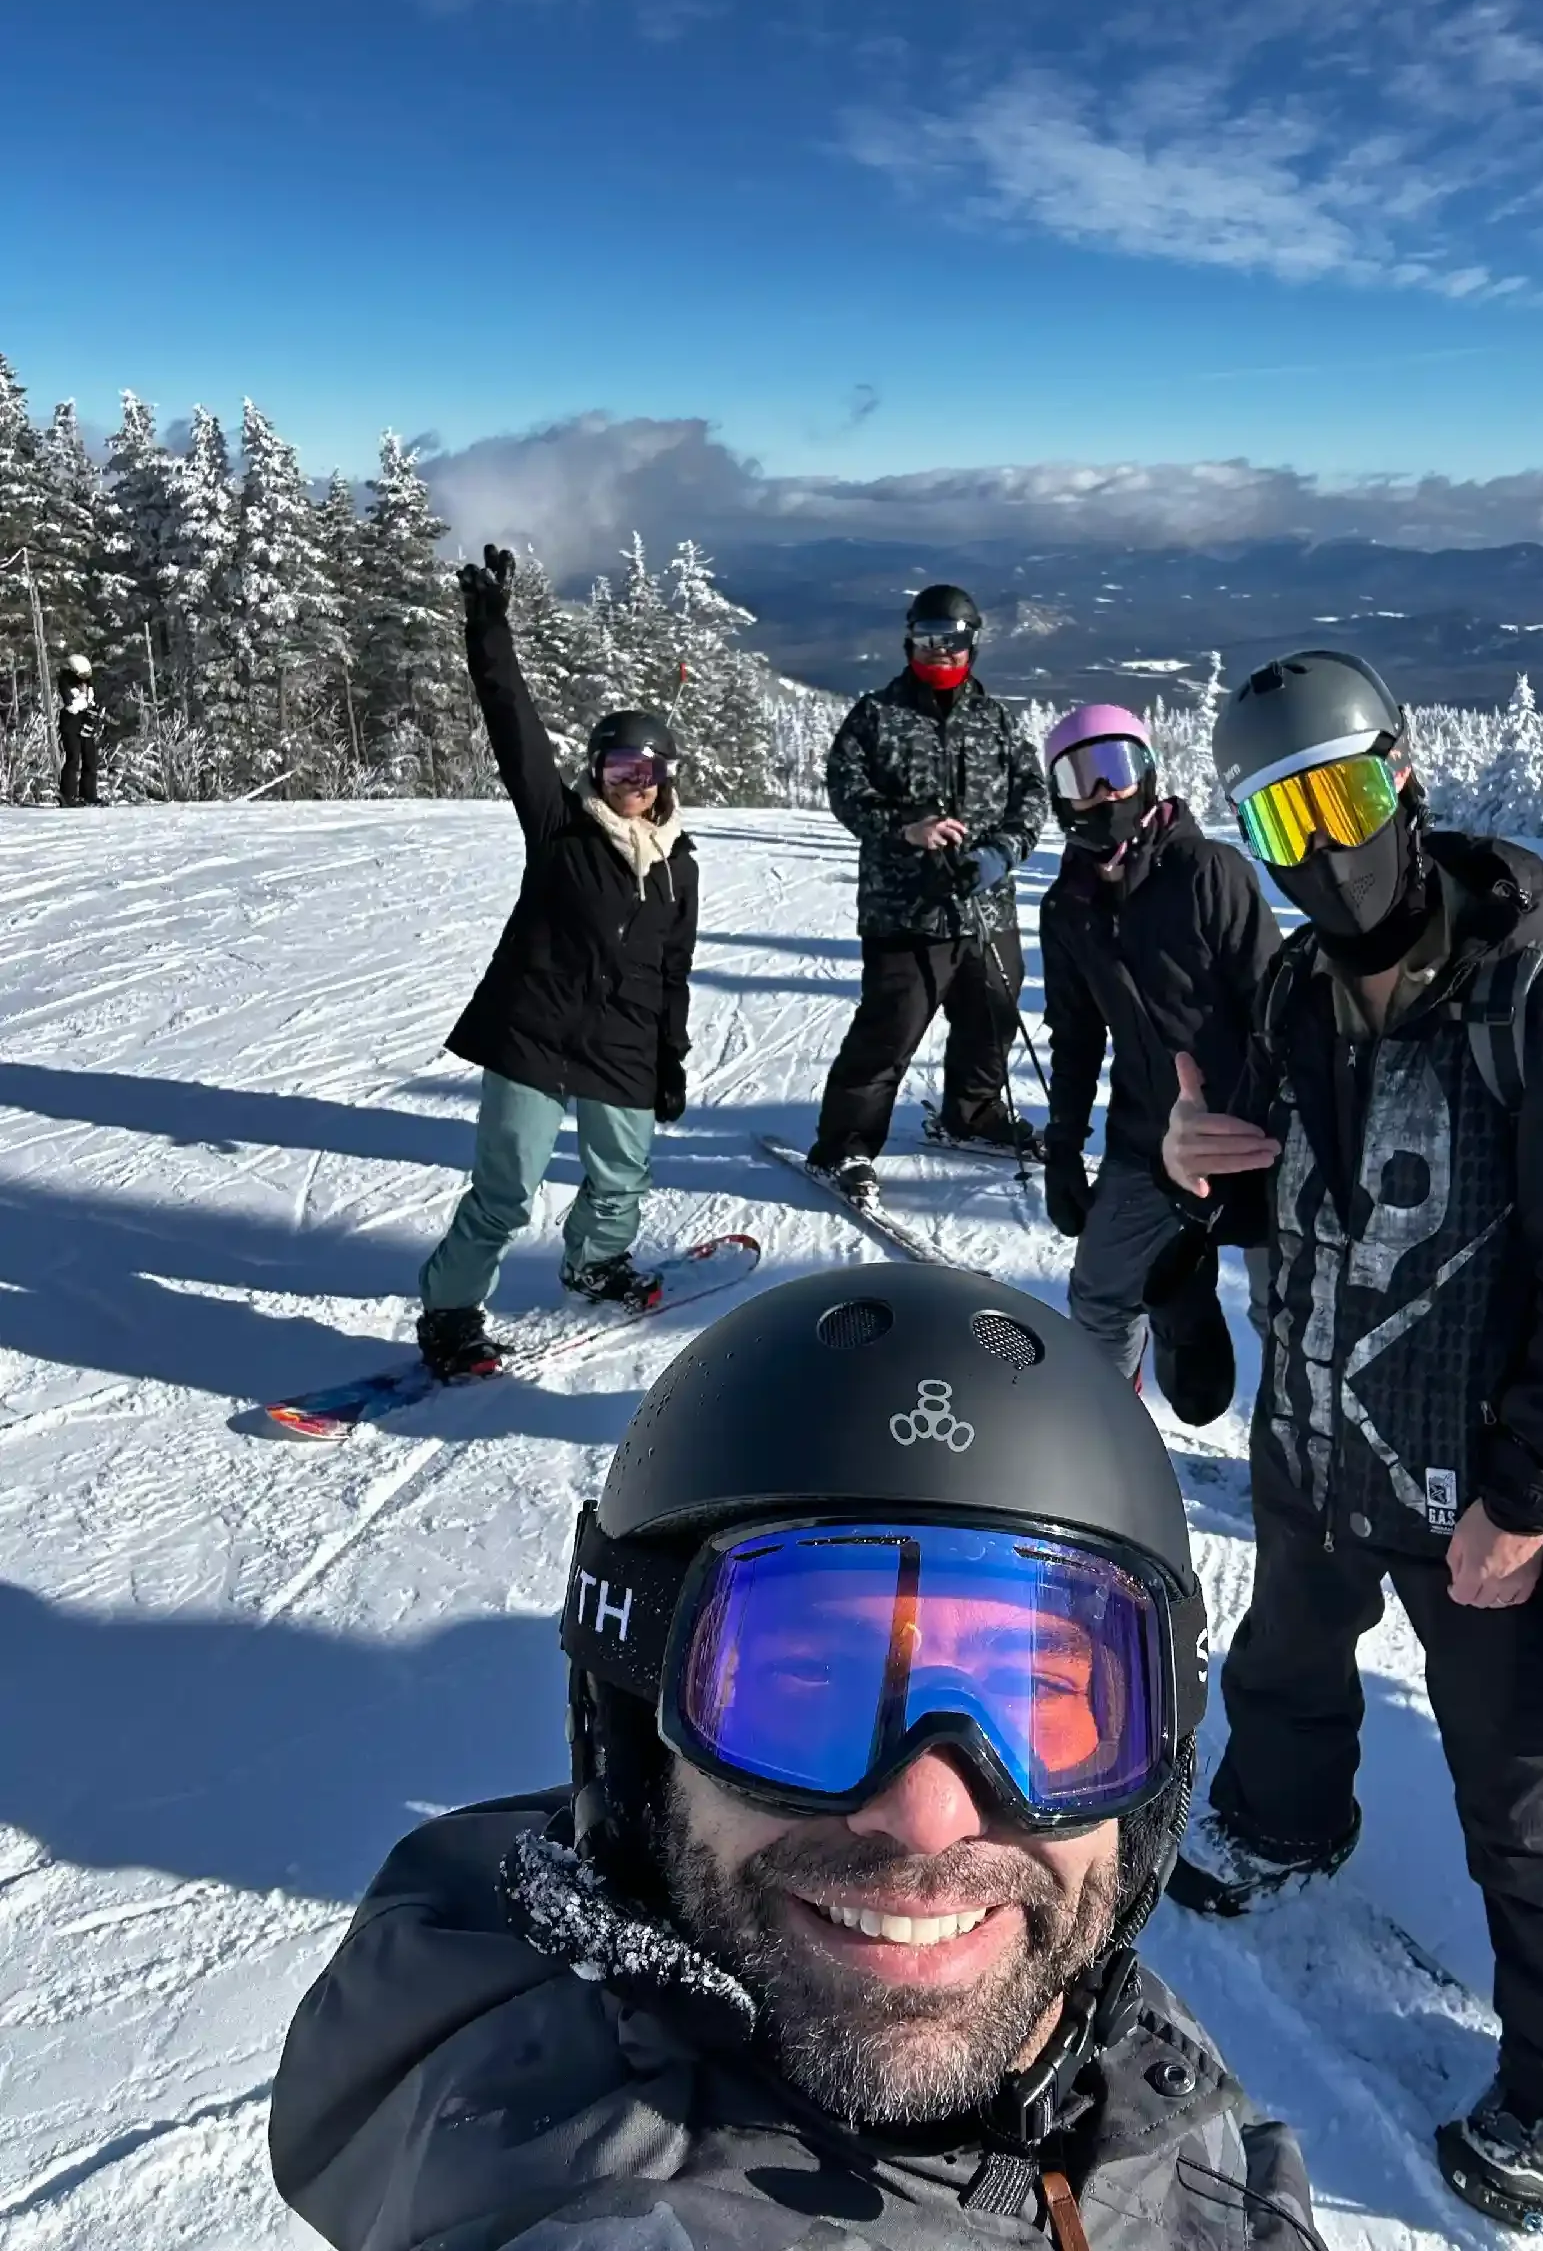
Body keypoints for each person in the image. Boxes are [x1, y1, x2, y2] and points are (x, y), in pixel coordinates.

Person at [268, 1265, 1328, 2251]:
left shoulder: (1092, 2038)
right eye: (810, 1682)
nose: (928, 1814)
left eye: (1037, 1693)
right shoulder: (600, 2212)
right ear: (640, 1747)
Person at [1161, 648, 1543, 2229]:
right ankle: (1283, 1816)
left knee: (1522, 1796)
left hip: (1485, 1489)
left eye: (1341, 797)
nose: (1321, 847)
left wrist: (1525, 1500)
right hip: (1321, 1439)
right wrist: (1195, 1163)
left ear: (1401, 775)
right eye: (1280, 821)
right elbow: (1287, 1193)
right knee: (1284, 1657)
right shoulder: (1293, 990)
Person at [414, 544, 698, 1379]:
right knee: (504, 1191)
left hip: (623, 1039)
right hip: (534, 1031)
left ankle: (595, 1264)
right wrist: (488, 631)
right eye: (618, 767)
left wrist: (669, 1059)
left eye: (646, 770)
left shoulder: (679, 866)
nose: (632, 783)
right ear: (595, 772)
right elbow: (513, 726)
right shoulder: (559, 828)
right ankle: (450, 1315)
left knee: (622, 1179)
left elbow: (672, 971)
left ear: (665, 778)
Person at [1038, 704, 1281, 1426]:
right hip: (1146, 1137)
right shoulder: (1068, 907)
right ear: (1059, 796)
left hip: (1254, 1134)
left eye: (1116, 769)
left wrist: (1280, 1128)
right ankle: (1104, 1436)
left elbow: (1276, 1005)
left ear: (1146, 774)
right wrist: (1061, 1145)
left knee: (1288, 1312)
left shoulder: (1207, 871)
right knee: (1099, 1298)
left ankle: (1301, 1452)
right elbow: (1075, 1035)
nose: (1103, 792)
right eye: (1080, 778)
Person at [809, 583, 1048, 1210]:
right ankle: (845, 1144)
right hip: (904, 911)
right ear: (909, 641)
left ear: (972, 644)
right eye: (927, 640)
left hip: (985, 907)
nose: (940, 652)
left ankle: (973, 1112)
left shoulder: (995, 720)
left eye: (953, 641)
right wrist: (904, 828)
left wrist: (1001, 854)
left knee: (992, 1016)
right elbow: (845, 790)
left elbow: (1031, 796)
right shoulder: (876, 715)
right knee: (889, 1031)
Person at [56, 654, 100, 807]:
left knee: (90, 759)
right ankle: (67, 795)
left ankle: (89, 795)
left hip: (86, 723)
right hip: (70, 724)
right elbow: (71, 707)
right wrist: (85, 704)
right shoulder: (65, 683)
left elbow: (91, 701)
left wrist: (93, 710)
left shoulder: (88, 684)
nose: (84, 680)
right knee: (73, 758)